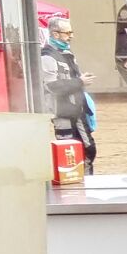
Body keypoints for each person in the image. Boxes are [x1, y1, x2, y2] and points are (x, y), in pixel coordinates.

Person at [40, 16, 97, 171]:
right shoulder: (47, 56)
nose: (71, 36)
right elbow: (52, 86)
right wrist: (80, 82)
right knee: (70, 154)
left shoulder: (67, 53)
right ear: (55, 34)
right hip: (62, 113)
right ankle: (76, 189)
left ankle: (87, 184)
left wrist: (80, 81)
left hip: (77, 110)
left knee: (88, 150)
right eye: (67, 33)